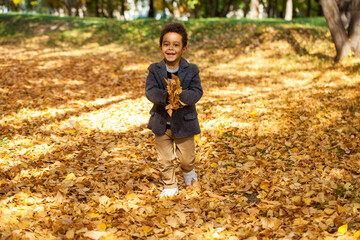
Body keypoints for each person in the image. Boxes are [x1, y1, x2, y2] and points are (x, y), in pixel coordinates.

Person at [145, 22, 203, 199]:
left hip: (185, 124)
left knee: (187, 158)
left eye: (176, 45)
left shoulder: (191, 69)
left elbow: (197, 91)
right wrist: (166, 97)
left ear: (184, 48)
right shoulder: (154, 69)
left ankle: (188, 171)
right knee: (164, 159)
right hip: (162, 123)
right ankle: (170, 185)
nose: (171, 48)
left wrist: (181, 98)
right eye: (167, 44)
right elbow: (150, 91)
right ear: (161, 47)